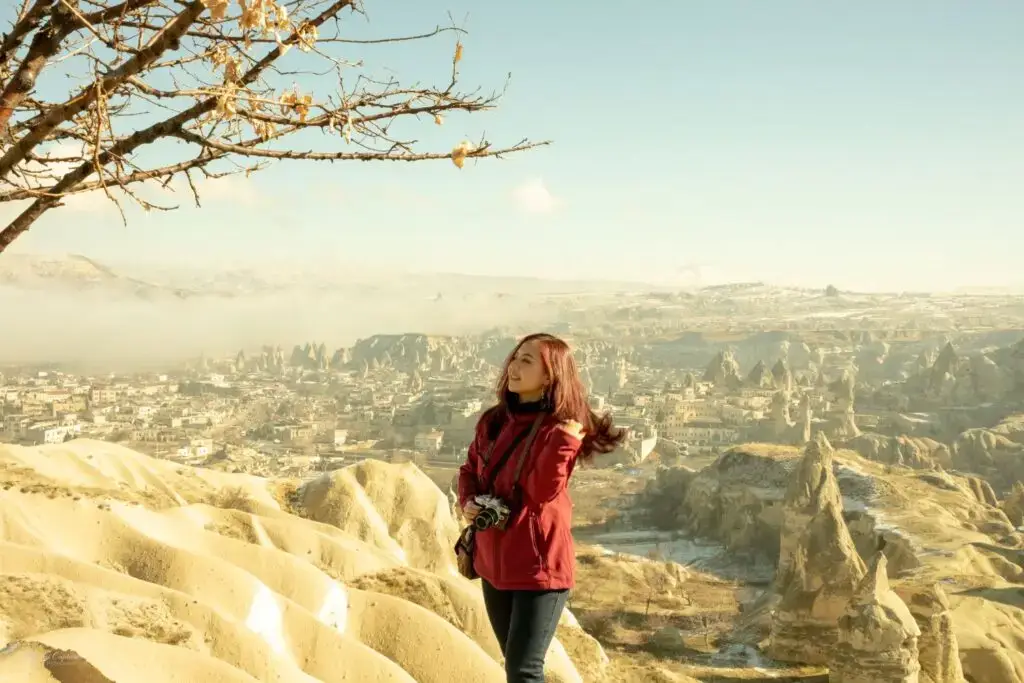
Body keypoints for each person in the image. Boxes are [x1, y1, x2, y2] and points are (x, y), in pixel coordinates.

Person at [457, 333, 626, 683]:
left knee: (524, 670)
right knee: (515, 666)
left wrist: (565, 441)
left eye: (527, 361)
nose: (514, 367)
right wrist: (469, 501)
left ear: (550, 376)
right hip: (493, 563)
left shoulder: (558, 431)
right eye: (515, 358)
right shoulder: (494, 421)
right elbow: (470, 469)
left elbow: (538, 493)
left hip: (539, 567)